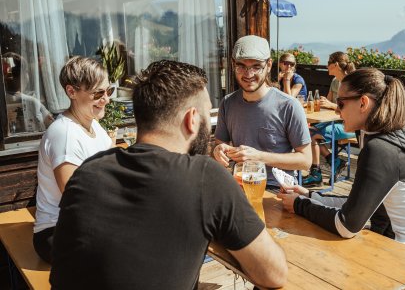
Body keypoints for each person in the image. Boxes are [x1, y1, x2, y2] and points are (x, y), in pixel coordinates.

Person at [50, 60, 288, 290]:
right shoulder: (205, 177)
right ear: (191, 120)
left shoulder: (88, 172)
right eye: (207, 115)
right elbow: (274, 274)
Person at [278, 68, 405, 252]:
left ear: (363, 103)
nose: (336, 110)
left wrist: (299, 205)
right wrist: (310, 196)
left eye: (341, 103)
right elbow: (357, 204)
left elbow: (346, 226)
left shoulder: (381, 149)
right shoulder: (389, 138)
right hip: (395, 243)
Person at [33, 56, 113, 264]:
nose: (106, 99)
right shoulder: (64, 134)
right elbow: (74, 197)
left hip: (86, 223)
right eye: (98, 93)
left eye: (108, 91)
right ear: (71, 92)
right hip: (57, 232)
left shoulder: (93, 125)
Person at [214, 35, 311, 189]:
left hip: (277, 190)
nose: (248, 73)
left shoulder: (289, 105)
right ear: (233, 65)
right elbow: (221, 142)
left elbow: (306, 160)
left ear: (269, 65)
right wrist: (219, 150)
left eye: (256, 66)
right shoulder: (228, 103)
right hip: (239, 185)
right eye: (241, 66)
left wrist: (259, 157)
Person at [303, 51, 357, 186]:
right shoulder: (335, 82)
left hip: (350, 126)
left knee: (311, 134)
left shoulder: (352, 83)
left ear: (336, 65)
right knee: (309, 131)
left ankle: (317, 174)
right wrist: (322, 102)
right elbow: (330, 103)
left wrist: (331, 105)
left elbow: (352, 109)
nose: (326, 66)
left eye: (328, 63)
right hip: (334, 122)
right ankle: (333, 162)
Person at [3, 52, 54, 132]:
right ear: (21, 75)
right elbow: (51, 124)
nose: (28, 75)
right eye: (26, 71)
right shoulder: (32, 101)